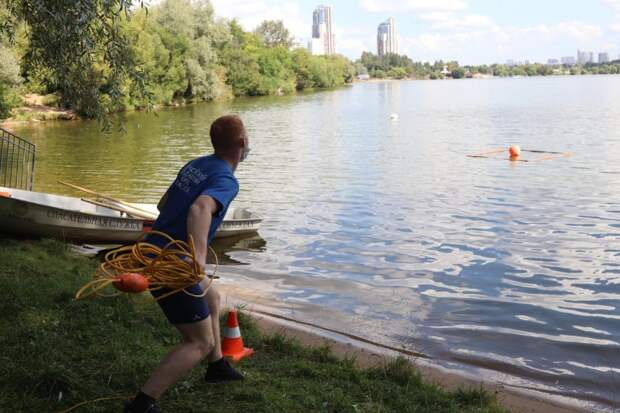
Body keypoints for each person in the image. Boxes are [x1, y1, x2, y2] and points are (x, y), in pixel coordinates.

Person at [124, 115, 251, 413]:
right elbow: (200, 208)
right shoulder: (226, 180)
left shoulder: (197, 165)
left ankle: (217, 366)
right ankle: (143, 403)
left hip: (153, 250)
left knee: (211, 296)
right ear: (242, 144)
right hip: (172, 263)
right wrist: (197, 259)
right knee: (198, 342)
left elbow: (163, 203)